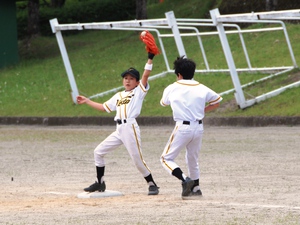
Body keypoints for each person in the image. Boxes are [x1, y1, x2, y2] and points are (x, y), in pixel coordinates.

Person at [76, 41, 159, 195]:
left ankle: (152, 184)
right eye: (125, 78)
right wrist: (87, 101)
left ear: (136, 82)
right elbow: (104, 107)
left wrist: (150, 57)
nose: (127, 80)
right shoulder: (119, 95)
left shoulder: (139, 92)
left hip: (130, 128)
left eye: (131, 78)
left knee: (136, 159)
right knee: (98, 152)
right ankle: (100, 183)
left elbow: (146, 75)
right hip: (119, 129)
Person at [159, 56, 222, 199]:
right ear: (193, 72)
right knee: (192, 158)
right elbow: (217, 101)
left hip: (183, 127)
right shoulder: (201, 87)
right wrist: (201, 111)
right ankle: (196, 188)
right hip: (198, 127)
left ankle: (184, 179)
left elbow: (164, 103)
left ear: (178, 74)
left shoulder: (172, 87)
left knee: (165, 158)